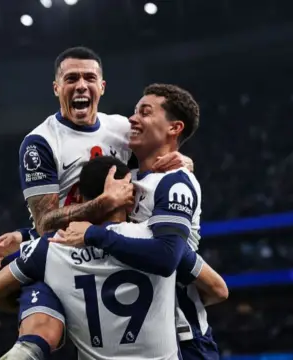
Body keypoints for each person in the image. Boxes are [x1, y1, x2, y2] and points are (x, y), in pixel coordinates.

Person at [0, 47, 194, 358]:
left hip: (120, 243)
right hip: (66, 251)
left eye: (89, 78)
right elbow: (45, 222)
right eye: (71, 79)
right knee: (38, 331)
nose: (81, 85)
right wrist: (104, 202)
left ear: (102, 87)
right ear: (57, 88)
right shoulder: (40, 143)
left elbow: (160, 149)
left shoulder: (122, 130)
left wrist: (184, 163)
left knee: (185, 276)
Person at [0, 156, 228, 360]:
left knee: (36, 282)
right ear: (129, 197)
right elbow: (218, 290)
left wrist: (62, 309)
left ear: (79, 198)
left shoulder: (51, 246)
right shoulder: (157, 241)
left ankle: (31, 344)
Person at [53, 84, 221, 359]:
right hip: (132, 334)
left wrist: (95, 234)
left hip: (182, 339)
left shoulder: (175, 182)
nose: (133, 119)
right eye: (134, 111)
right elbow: (79, 222)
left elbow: (166, 258)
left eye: (145, 112)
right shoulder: (122, 177)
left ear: (174, 128)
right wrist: (25, 237)